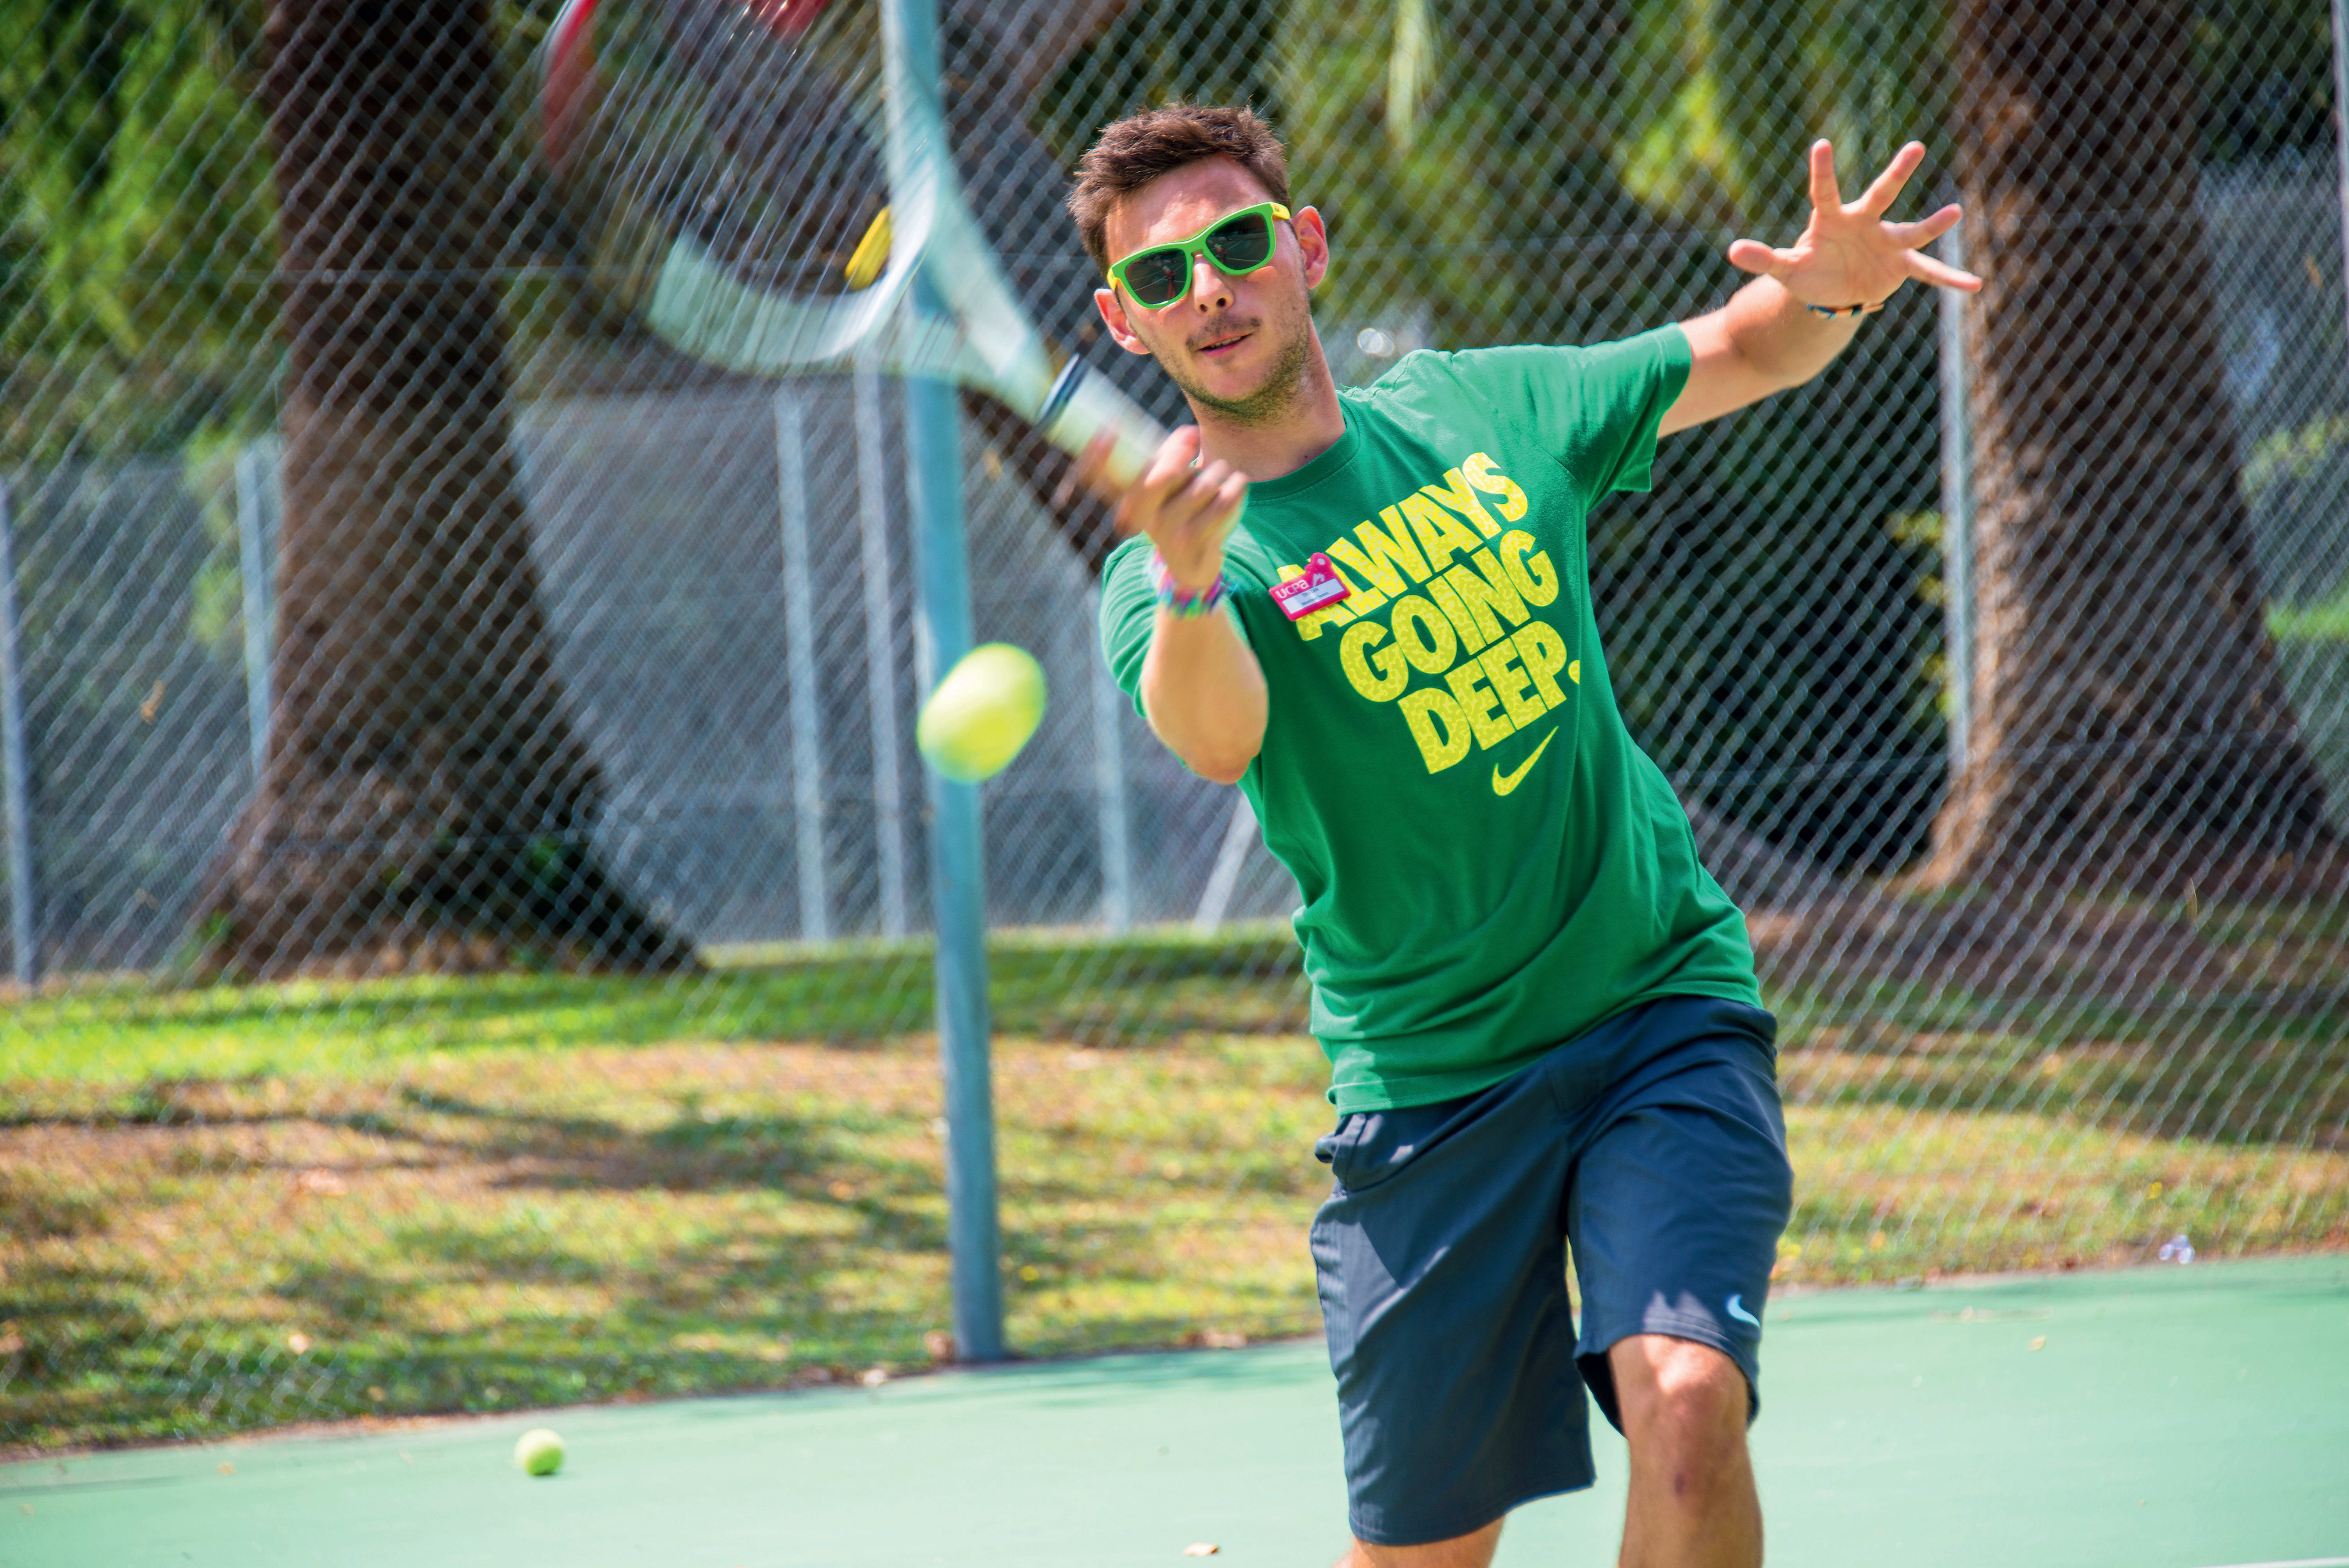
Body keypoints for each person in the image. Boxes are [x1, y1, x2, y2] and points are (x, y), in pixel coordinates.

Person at [1069, 104, 1979, 1568]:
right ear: (1126, 320)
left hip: (1658, 1015)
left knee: (1689, 1407)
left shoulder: (1478, 411)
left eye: (1237, 245)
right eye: (1164, 278)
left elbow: (1748, 347)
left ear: (1302, 247)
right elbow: (1218, 733)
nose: (1211, 291)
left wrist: (1833, 284)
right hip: (1432, 1090)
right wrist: (1185, 584)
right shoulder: (1169, 569)